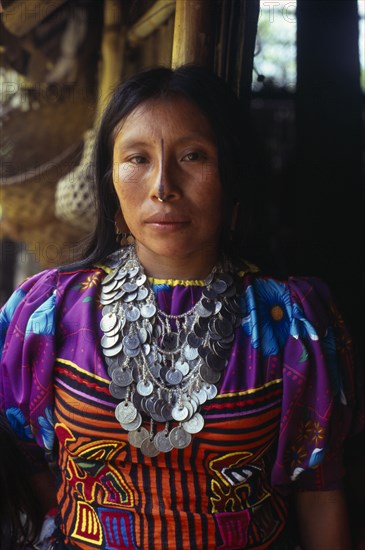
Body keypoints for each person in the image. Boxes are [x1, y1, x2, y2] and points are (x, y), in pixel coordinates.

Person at [0, 65, 362, 550]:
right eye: (137, 158)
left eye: (193, 156)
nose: (163, 186)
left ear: (233, 174)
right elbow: (24, 463)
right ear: (110, 182)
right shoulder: (49, 312)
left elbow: (319, 492)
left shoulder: (292, 322)